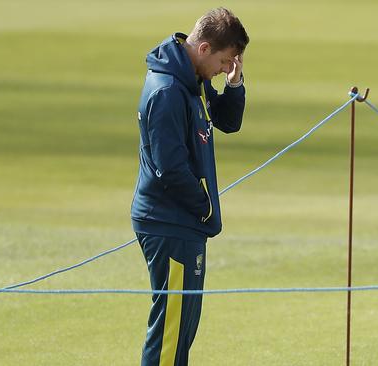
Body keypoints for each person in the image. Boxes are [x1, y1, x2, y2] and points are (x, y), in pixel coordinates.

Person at [130, 7, 249, 365]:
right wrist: (207, 207)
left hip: (182, 222)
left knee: (181, 329)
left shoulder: (190, 79)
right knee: (171, 330)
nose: (222, 69)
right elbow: (171, 169)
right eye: (223, 61)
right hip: (170, 222)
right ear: (204, 48)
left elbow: (227, 121)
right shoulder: (168, 90)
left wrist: (234, 83)